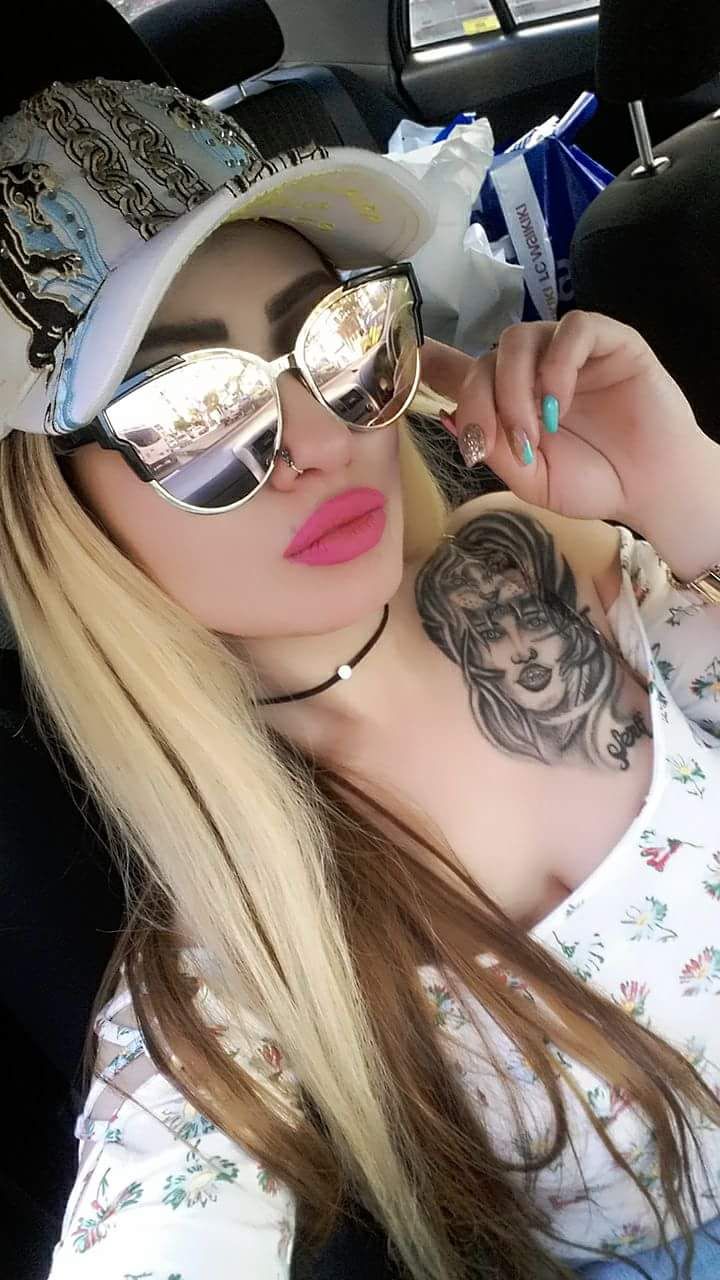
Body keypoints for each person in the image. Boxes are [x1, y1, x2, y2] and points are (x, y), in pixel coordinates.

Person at [2, 77, 720, 1280]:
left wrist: (693, 493)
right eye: (193, 411)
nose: (323, 436)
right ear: (64, 511)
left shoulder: (544, 558)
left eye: (337, 340)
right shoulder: (233, 940)